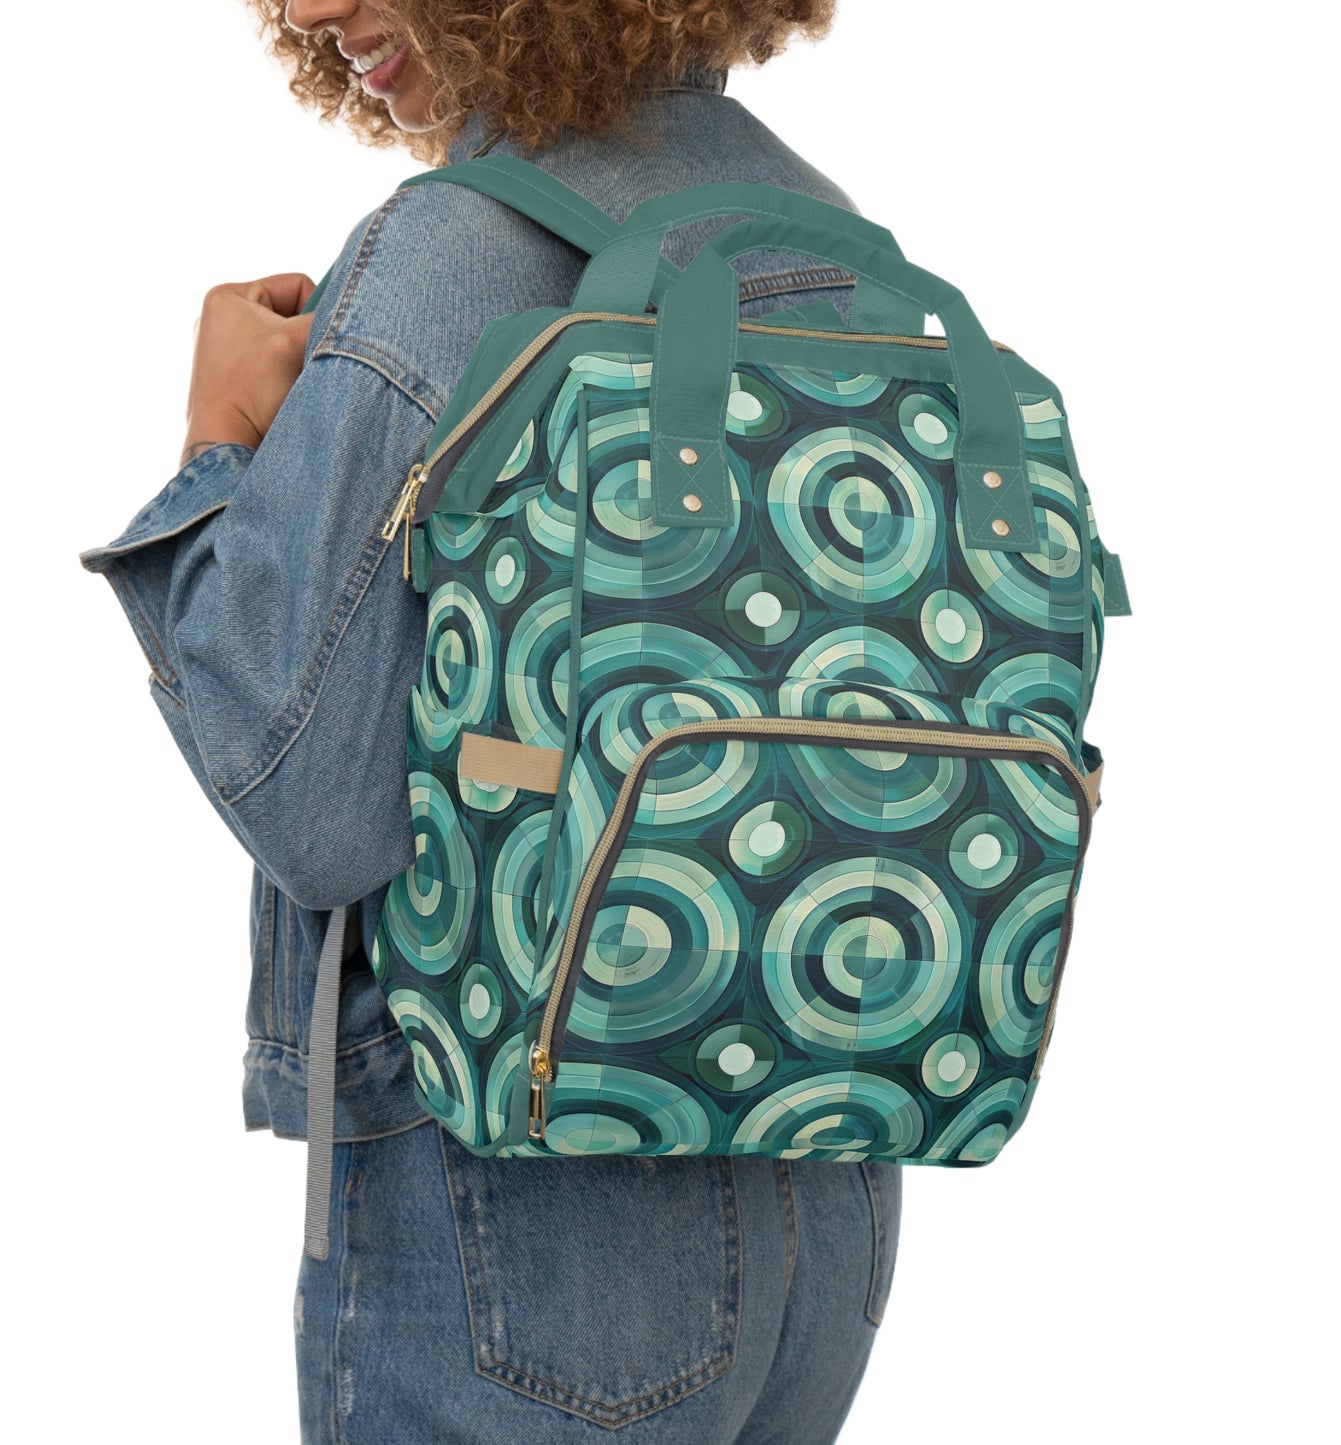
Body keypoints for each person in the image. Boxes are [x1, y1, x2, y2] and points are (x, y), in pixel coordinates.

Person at [78, 2, 902, 1441]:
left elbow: (309, 807)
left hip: (523, 1205)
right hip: (823, 1170)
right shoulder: (824, 231)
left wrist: (218, 447)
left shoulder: (451, 252)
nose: (310, 9)